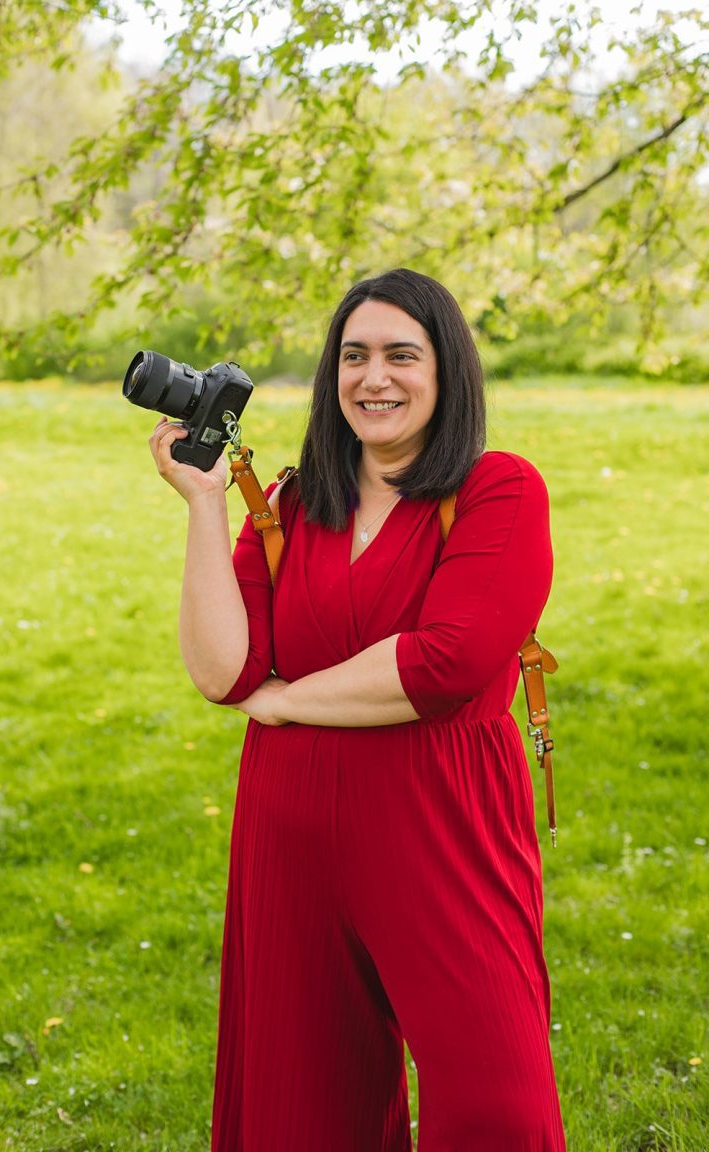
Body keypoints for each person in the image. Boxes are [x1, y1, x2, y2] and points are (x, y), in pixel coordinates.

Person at [149, 268, 566, 1151]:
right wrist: (202, 504)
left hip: (442, 823)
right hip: (290, 830)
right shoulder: (299, 504)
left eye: (401, 355)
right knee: (301, 1109)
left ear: (446, 371)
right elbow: (224, 673)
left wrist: (289, 699)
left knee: (497, 1104)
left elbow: (442, 664)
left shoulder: (500, 490)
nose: (374, 378)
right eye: (354, 357)